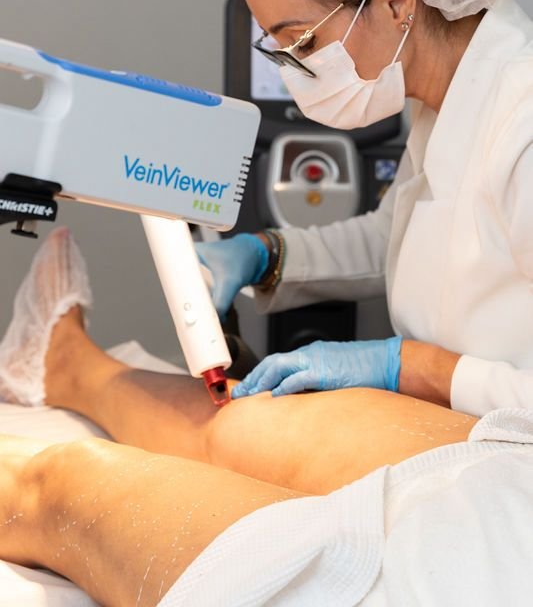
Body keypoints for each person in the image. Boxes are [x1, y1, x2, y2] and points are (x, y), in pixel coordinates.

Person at [0, 229, 531, 607]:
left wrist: (423, 368)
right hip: (511, 484)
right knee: (240, 419)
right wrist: (269, 253)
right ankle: (66, 366)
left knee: (60, 483)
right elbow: (407, 228)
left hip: (436, 591)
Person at [195, 0, 533, 418]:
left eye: (302, 42)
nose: (295, 71)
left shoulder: (523, 128)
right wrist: (268, 255)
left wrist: (414, 368)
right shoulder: (444, 96)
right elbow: (399, 237)